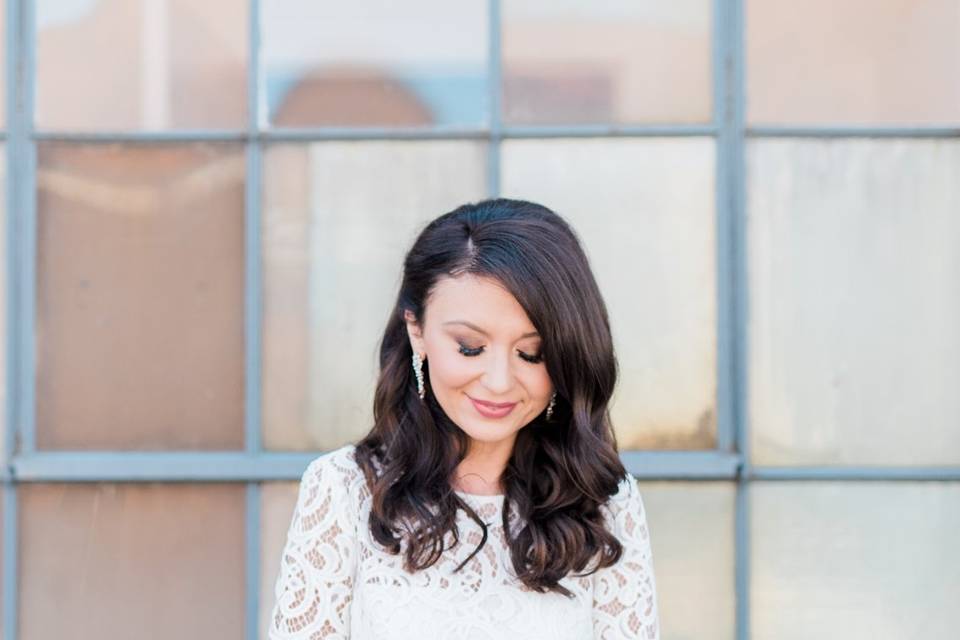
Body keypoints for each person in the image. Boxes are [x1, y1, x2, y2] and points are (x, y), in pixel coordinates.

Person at [267, 198, 660, 639]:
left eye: (532, 354)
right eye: (470, 347)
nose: (498, 381)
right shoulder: (344, 490)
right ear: (417, 330)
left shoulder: (604, 501)